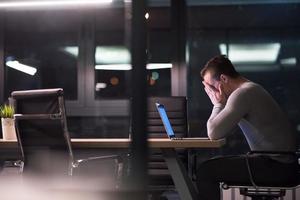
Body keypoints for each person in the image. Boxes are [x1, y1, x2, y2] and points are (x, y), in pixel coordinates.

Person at [197, 55, 298, 200]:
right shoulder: (251, 89)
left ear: (224, 79)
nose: (212, 93)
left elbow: (214, 133)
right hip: (283, 164)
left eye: (212, 87)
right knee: (214, 165)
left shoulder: (243, 93)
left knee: (206, 171)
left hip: (276, 167)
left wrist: (218, 104)